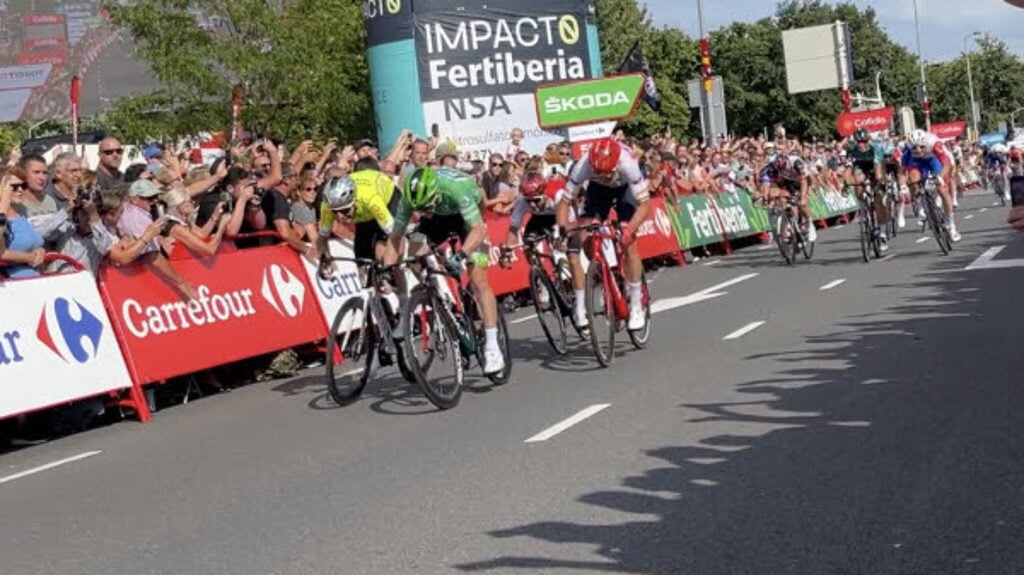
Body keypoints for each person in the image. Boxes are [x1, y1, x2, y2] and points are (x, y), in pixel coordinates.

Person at [383, 166, 506, 374]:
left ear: (436, 193)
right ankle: (437, 295)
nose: (423, 211)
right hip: (438, 219)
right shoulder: (410, 199)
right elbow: (395, 237)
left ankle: (493, 348)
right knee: (414, 253)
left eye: (426, 206)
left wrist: (461, 255)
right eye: (419, 209)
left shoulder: (455, 189)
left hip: (468, 217)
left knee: (478, 279)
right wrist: (387, 270)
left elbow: (478, 229)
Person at [556, 137, 651, 331]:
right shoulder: (583, 166)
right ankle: (605, 275)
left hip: (626, 190)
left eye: (609, 173)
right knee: (585, 232)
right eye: (600, 173)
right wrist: (562, 229)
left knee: (628, 238)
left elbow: (645, 205)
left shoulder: (628, 164)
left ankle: (635, 305)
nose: (606, 176)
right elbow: (564, 203)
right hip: (598, 191)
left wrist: (629, 230)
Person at [317, 157, 399, 271]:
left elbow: (394, 235)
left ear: (353, 201)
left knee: (383, 246)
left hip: (388, 197)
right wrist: (324, 260)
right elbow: (322, 239)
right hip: (362, 211)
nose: (340, 216)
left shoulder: (370, 199)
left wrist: (388, 266)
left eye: (344, 210)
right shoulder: (327, 206)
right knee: (361, 255)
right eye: (335, 212)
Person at [901, 129, 960, 242]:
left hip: (934, 160)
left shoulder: (934, 143)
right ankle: (920, 205)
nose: (918, 150)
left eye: (921, 147)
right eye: (915, 148)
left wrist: (940, 177)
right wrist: (903, 186)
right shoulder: (907, 148)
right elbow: (903, 170)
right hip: (917, 163)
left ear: (925, 144)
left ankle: (951, 225)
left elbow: (946, 164)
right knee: (913, 179)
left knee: (942, 189)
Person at [844, 127, 890, 249]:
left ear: (868, 140)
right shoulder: (852, 150)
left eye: (864, 141)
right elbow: (848, 169)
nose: (861, 144)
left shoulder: (876, 149)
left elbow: (878, 170)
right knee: (857, 181)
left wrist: (879, 182)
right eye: (859, 142)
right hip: (862, 167)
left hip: (874, 167)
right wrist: (846, 183)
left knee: (879, 201)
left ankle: (883, 232)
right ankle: (863, 206)